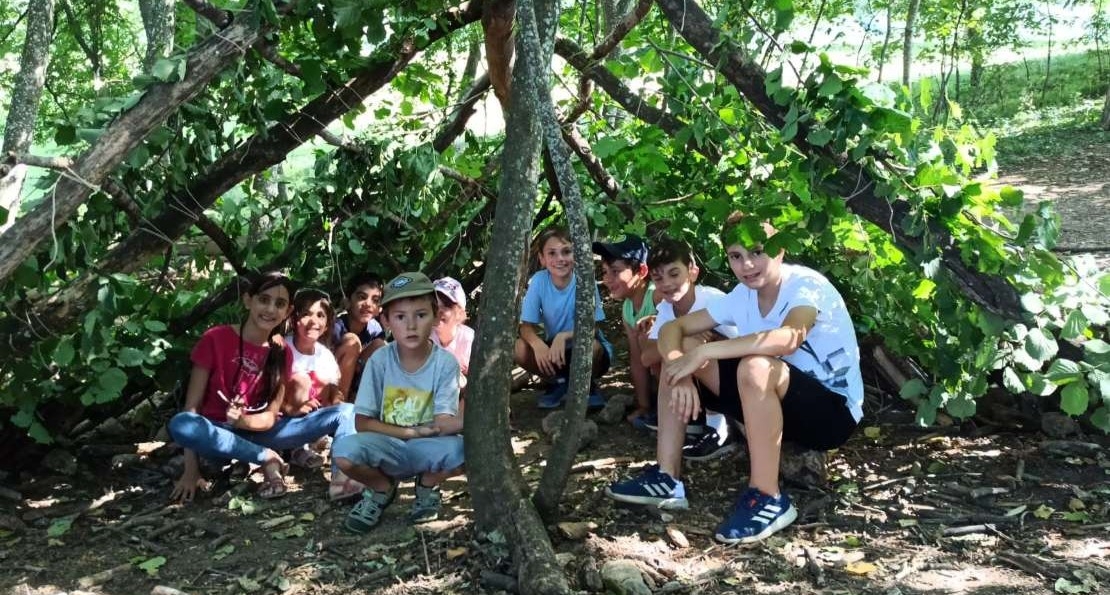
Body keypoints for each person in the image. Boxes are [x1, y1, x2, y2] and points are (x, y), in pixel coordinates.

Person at [606, 215, 862, 544]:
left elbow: (789, 337)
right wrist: (679, 368)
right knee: (684, 348)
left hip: (831, 414)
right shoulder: (742, 296)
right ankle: (667, 478)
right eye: (736, 256)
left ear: (779, 249)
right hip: (773, 404)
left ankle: (768, 497)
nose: (747, 264)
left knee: (754, 366)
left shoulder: (805, 285)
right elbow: (673, 329)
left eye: (756, 251)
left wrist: (708, 351)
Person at [167, 272, 355, 503]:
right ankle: (265, 458)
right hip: (217, 433)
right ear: (248, 300)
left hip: (262, 431)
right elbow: (191, 408)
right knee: (181, 424)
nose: (270, 309)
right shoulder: (216, 338)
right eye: (263, 299)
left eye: (279, 304)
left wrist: (243, 421)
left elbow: (269, 417)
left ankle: (343, 482)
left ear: (287, 312)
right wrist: (190, 470)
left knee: (346, 412)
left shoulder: (280, 351)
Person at [332, 272, 464, 534]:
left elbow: (443, 421)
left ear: (437, 316)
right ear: (386, 320)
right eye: (401, 317)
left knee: (471, 450)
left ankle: (427, 484)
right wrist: (408, 432)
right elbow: (362, 422)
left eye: (421, 315)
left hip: (428, 445)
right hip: (388, 445)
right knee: (344, 452)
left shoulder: (445, 363)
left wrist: (475, 421)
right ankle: (381, 489)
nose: (411, 325)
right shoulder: (380, 360)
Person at [637, 237, 741, 461]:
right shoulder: (666, 309)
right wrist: (682, 335)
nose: (666, 283)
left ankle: (720, 428)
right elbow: (646, 357)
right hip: (704, 379)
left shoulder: (712, 300)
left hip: (734, 379)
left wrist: (695, 339)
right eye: (658, 277)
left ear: (692, 272)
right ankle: (696, 420)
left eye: (674, 274)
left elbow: (741, 344)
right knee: (676, 349)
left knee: (687, 348)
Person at [514, 227, 613, 409]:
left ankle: (586, 385)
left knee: (593, 346)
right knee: (518, 347)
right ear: (542, 259)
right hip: (555, 352)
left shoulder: (585, 280)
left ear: (575, 255)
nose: (560, 258)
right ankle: (559, 382)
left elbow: (594, 327)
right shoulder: (539, 281)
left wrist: (564, 336)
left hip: (584, 346)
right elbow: (526, 327)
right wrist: (538, 345)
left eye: (566, 252)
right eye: (552, 253)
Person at [592, 235, 659, 426]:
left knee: (648, 339)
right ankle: (652, 407)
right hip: (657, 372)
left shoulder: (657, 295)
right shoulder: (627, 309)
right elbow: (636, 359)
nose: (607, 279)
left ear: (642, 270)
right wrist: (644, 405)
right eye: (604, 272)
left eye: (615, 271)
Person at [283, 288, 344, 469]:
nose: (314, 321)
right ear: (294, 318)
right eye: (306, 314)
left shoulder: (325, 355)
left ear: (326, 324)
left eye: (320, 315)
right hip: (284, 416)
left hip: (313, 417)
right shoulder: (283, 346)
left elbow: (334, 393)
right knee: (301, 380)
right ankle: (294, 448)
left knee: (333, 391)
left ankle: (323, 443)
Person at [333, 273, 388, 399]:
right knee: (352, 341)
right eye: (362, 297)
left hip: (356, 382)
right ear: (347, 301)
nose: (368, 304)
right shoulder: (336, 327)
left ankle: (360, 400)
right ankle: (338, 402)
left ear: (379, 308)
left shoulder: (376, 330)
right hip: (332, 381)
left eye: (375, 300)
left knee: (381, 346)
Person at [431, 276, 475, 386]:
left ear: (460, 313)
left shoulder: (468, 340)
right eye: (434, 305)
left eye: (446, 306)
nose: (438, 311)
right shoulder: (426, 336)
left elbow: (478, 380)